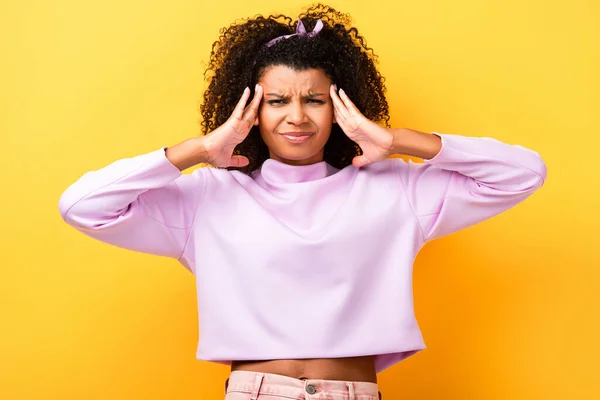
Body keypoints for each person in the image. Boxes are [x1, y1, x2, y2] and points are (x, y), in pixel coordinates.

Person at [58, 4, 547, 399]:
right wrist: (200, 150)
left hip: (352, 392)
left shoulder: (395, 188)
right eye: (276, 101)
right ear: (247, 108)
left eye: (314, 100)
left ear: (339, 107)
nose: (297, 117)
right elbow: (81, 206)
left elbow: (523, 174)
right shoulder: (207, 196)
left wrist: (398, 141)